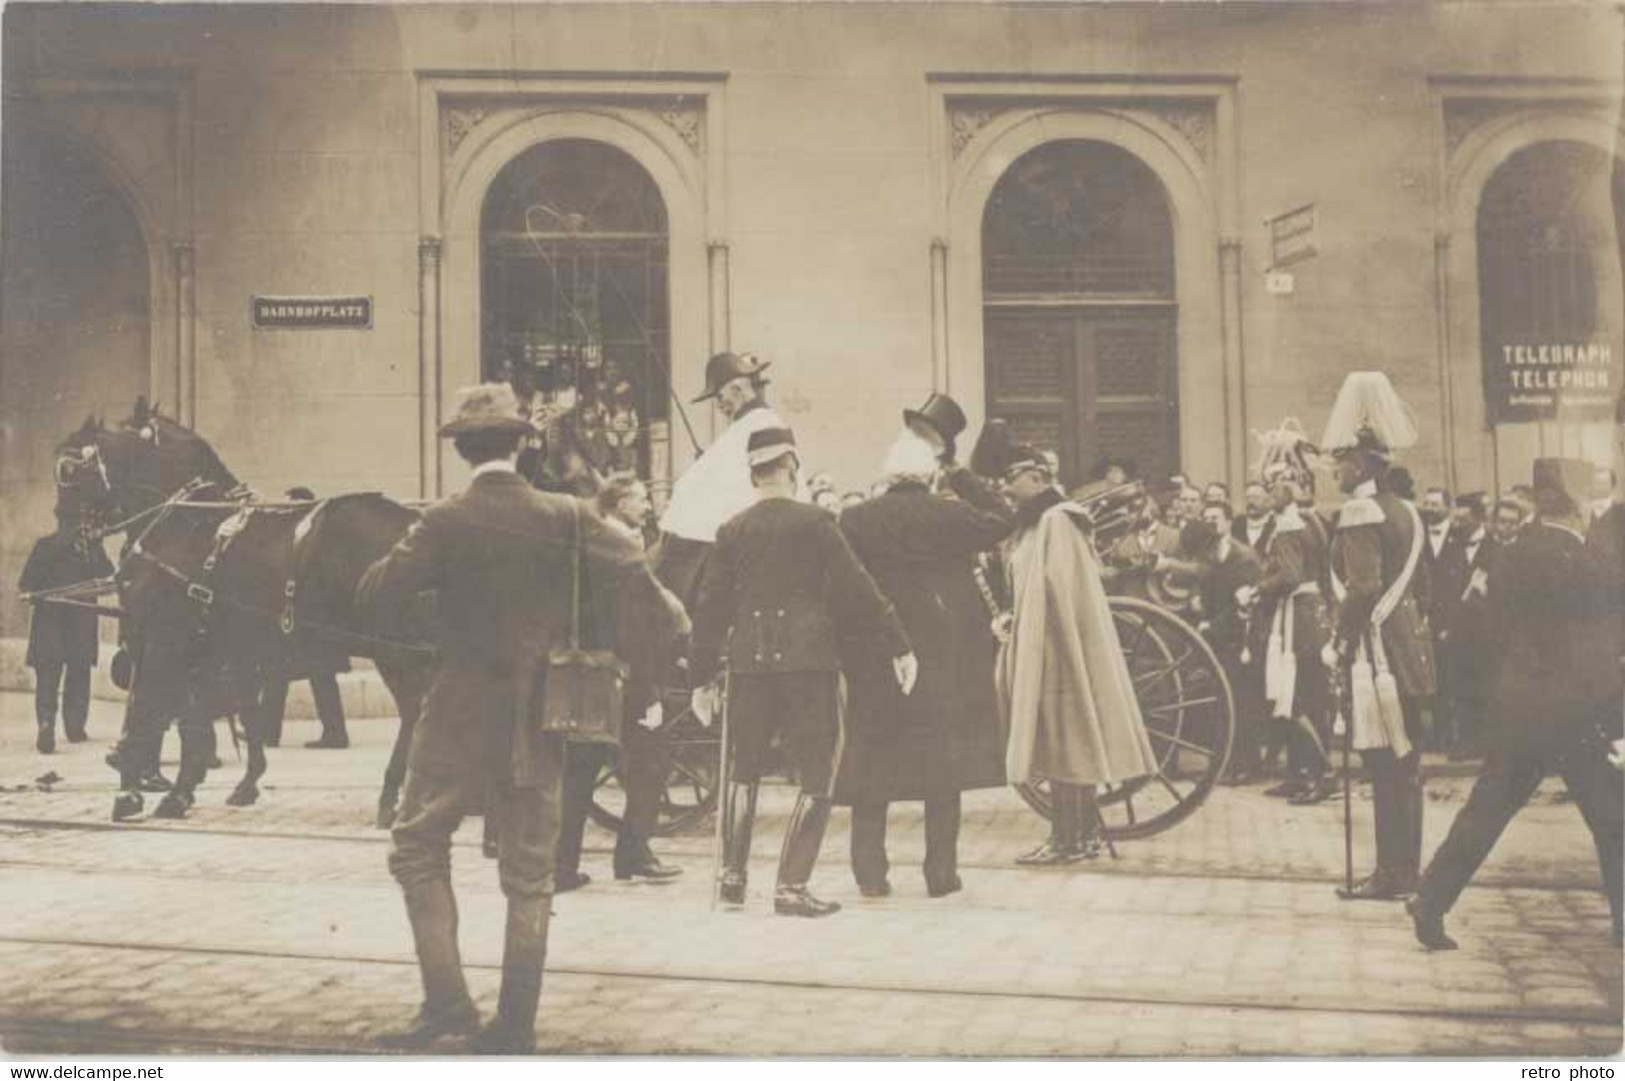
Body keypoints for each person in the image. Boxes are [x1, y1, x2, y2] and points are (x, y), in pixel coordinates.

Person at [358, 384, 685, 1053]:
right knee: (530, 870)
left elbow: (375, 595)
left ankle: (447, 1003)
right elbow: (648, 586)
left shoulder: (444, 518)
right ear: (520, 442)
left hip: (454, 708)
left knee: (417, 844)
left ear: (462, 449)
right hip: (544, 711)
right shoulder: (566, 514)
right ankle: (515, 1025)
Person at [690, 426, 915, 917]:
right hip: (808, 662)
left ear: (753, 473)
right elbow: (858, 587)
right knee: (817, 773)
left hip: (748, 663)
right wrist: (897, 642)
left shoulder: (732, 529)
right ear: (791, 464)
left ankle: (732, 881)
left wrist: (702, 676)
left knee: (742, 770)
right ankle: (791, 887)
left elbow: (710, 608)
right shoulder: (816, 522)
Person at [1408, 459, 1623, 950]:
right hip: (1577, 715)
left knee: (1484, 814)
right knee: (1614, 819)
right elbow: (1602, 649)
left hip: (1519, 710)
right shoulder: (1592, 562)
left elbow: (1490, 629)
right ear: (1573, 508)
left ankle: (1430, 900)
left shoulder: (1508, 555)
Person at [834, 428, 1013, 898]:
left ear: (887, 474)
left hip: (877, 651)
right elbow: (1003, 519)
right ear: (930, 474)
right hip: (943, 652)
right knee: (942, 765)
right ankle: (941, 873)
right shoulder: (950, 514)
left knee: (872, 759)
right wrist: (962, 476)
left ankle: (870, 873)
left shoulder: (855, 519)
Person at [997, 445, 1157, 863]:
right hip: (1046, 643)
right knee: (1064, 741)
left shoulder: (1056, 520)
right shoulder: (1040, 522)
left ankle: (1069, 839)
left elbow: (1061, 591)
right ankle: (1078, 836)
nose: (1005, 489)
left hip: (1059, 647)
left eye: (1010, 479)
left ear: (1035, 477)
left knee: (1066, 742)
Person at [1321, 373, 1435, 902]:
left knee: (1385, 764)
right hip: (1409, 650)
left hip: (1377, 658)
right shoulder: (1406, 510)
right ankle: (1405, 869)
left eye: (1340, 461)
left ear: (1362, 465)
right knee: (1404, 764)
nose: (1334, 470)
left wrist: (1339, 640)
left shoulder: (1360, 512)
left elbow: (1363, 588)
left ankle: (1391, 874)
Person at [554, 475, 685, 890]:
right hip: (625, 677)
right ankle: (634, 854)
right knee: (650, 764)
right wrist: (649, 690)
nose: (648, 505)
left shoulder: (581, 546)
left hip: (582, 672)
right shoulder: (622, 551)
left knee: (578, 771)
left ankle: (561, 866)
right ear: (617, 503)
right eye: (642, 499)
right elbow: (638, 625)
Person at [1247, 424, 1334, 803]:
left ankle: (1319, 774)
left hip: (1297, 617)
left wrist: (1258, 589)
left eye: (1272, 487)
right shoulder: (1312, 518)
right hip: (1310, 614)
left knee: (1297, 697)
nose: (1268, 495)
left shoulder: (1288, 525)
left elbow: (1290, 576)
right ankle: (1301, 772)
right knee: (1305, 695)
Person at [656, 351, 783, 605]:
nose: (718, 404)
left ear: (737, 389)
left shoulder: (759, 424)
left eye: (719, 396)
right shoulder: (747, 425)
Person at [256, 486, 351, 750]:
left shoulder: (315, 536)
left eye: (293, 506)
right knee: (277, 673)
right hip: (295, 617)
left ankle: (335, 734)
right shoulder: (294, 535)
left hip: (314, 618)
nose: (287, 511)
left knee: (318, 676)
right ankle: (268, 732)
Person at [18, 510, 113, 753]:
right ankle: (72, 729)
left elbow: (26, 584)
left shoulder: (47, 546)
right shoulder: (88, 550)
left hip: (52, 624)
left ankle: (49, 724)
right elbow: (108, 575)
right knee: (76, 676)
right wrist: (95, 546)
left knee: (49, 676)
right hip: (76, 624)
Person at [1187, 513, 1267, 783]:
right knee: (1223, 701)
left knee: (1243, 703)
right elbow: (1203, 584)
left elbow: (1246, 605)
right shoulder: (1211, 557)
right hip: (1221, 639)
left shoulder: (1244, 558)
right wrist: (1197, 600)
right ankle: (1227, 763)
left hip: (1242, 640)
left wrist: (1212, 626)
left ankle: (1247, 764)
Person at [1433, 493, 1496, 760]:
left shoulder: (1495, 548)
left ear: (1479, 519)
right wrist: (1442, 626)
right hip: (1457, 632)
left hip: (1487, 632)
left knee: (1487, 686)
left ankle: (1488, 742)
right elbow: (1441, 590)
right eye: (1455, 518)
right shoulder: (1451, 546)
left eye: (1463, 519)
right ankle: (1465, 741)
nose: (1457, 523)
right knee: (1459, 687)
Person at [1233, 481, 1276, 552]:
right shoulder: (1237, 523)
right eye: (1247, 498)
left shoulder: (1274, 523)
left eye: (1256, 497)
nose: (1251, 501)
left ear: (1267, 500)